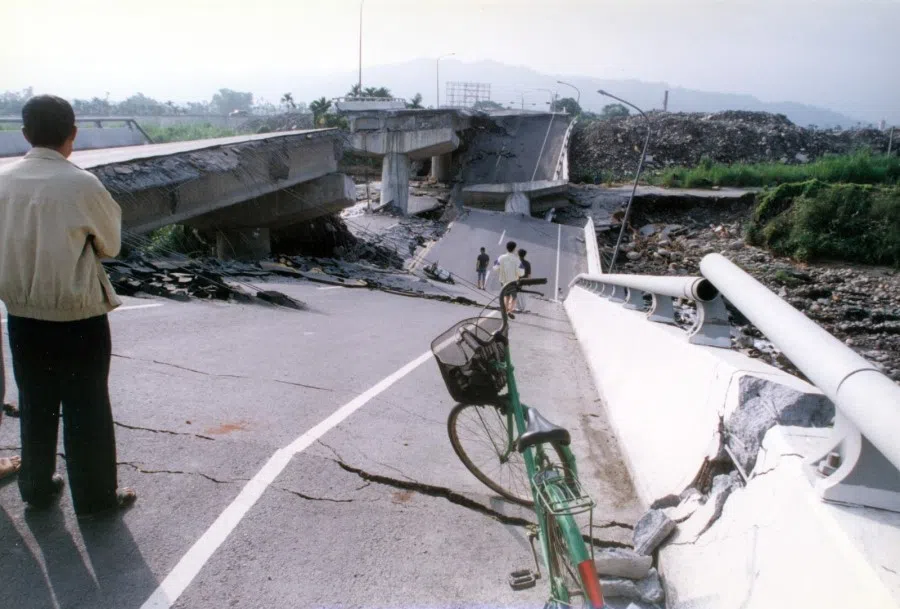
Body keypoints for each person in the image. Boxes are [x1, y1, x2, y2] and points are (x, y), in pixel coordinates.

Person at [0, 95, 136, 518]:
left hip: (22, 313)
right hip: (78, 317)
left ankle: (36, 486)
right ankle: (95, 501)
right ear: (72, 134)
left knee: (36, 403)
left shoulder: (3, 182)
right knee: (87, 406)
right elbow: (109, 245)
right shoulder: (82, 185)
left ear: (24, 134)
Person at [494, 240, 522, 316]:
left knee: (506, 296)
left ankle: (505, 310)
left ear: (506, 248)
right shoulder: (517, 259)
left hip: (503, 280)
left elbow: (495, 268)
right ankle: (510, 310)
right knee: (514, 297)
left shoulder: (501, 257)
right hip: (513, 282)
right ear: (514, 249)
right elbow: (521, 272)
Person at [517, 249, 532, 313]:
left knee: (517, 294)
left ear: (518, 254)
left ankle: (519, 308)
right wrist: (529, 282)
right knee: (523, 295)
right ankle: (523, 308)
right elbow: (529, 274)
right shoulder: (527, 263)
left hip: (517, 281)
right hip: (525, 281)